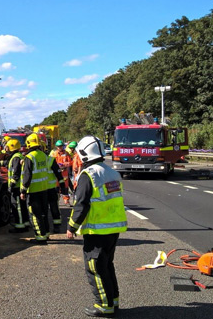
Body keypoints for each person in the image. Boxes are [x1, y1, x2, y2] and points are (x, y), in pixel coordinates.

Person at [66, 136, 127, 317]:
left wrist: (71, 226)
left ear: (84, 154)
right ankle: (113, 300)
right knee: (107, 265)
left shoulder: (88, 175)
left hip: (97, 230)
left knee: (95, 268)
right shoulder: (112, 172)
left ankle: (104, 305)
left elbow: (81, 204)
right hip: (113, 229)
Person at [20, 133, 50, 244]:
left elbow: (27, 175)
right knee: (43, 213)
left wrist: (23, 190)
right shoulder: (43, 155)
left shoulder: (29, 157)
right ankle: (46, 234)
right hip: (44, 188)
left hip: (33, 191)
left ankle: (40, 237)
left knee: (35, 214)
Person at [6, 139, 30, 232]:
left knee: (17, 207)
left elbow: (16, 173)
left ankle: (20, 226)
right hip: (19, 186)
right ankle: (25, 223)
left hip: (16, 187)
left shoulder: (15, 158)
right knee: (22, 207)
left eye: (7, 146)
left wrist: (11, 185)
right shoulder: (18, 156)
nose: (6, 148)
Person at [46, 151, 68, 233]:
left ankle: (48, 228)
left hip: (42, 189)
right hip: (51, 188)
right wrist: (62, 186)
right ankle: (56, 226)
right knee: (54, 207)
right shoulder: (50, 160)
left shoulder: (34, 160)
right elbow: (59, 175)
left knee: (45, 209)